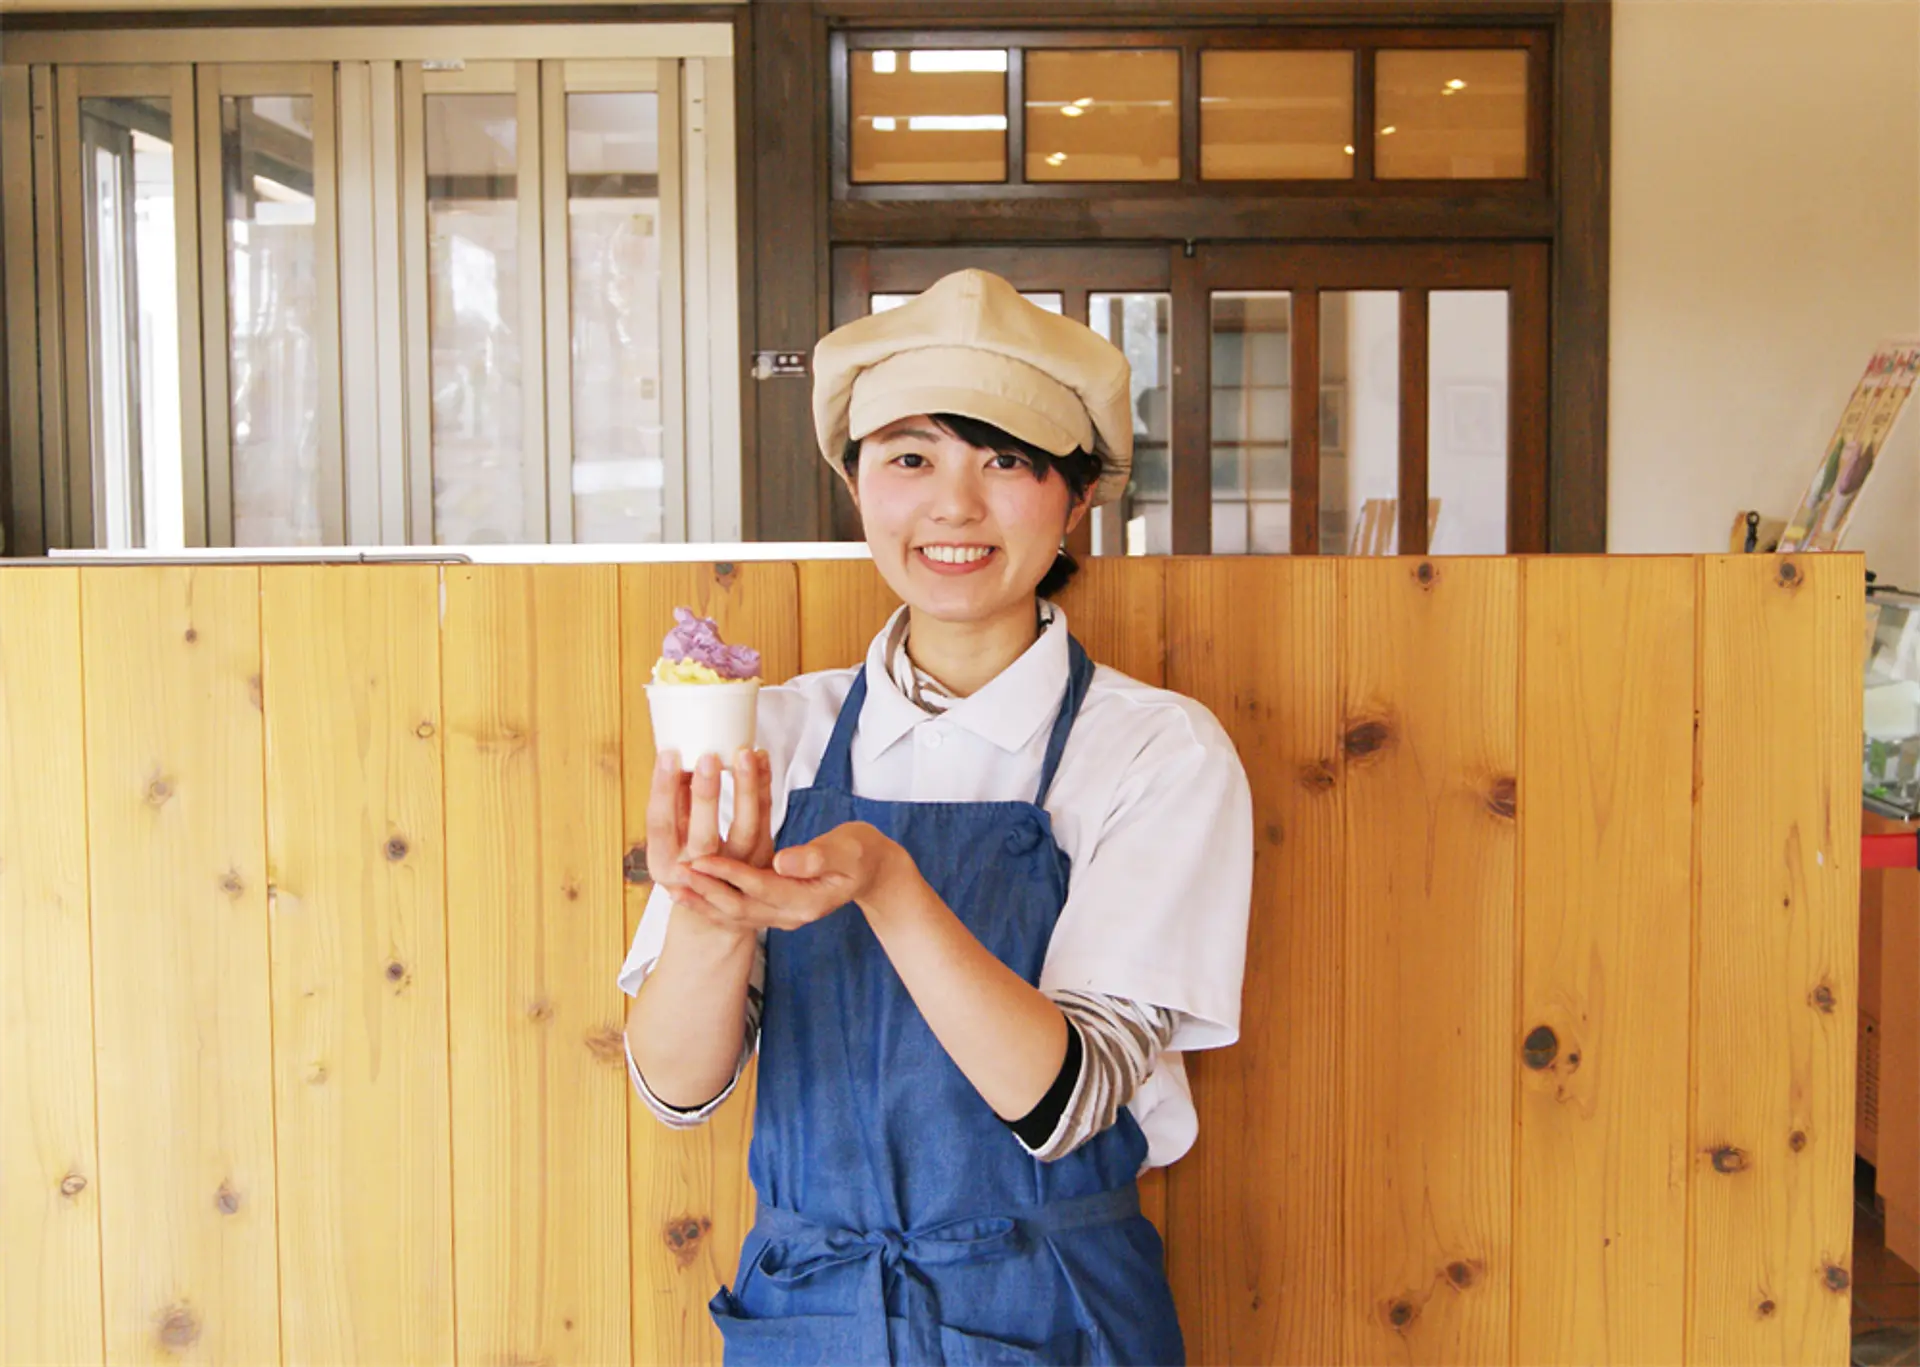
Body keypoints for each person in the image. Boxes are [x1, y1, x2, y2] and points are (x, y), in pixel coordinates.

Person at [620, 268, 1253, 1365]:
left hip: (1053, 1305)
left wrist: (885, 878)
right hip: (808, 1307)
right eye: (910, 458)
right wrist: (712, 917)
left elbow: (1066, 1103)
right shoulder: (772, 731)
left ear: (1078, 499)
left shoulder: (1155, 749)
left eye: (1005, 460)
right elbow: (678, 1091)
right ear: (856, 482)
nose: (954, 506)